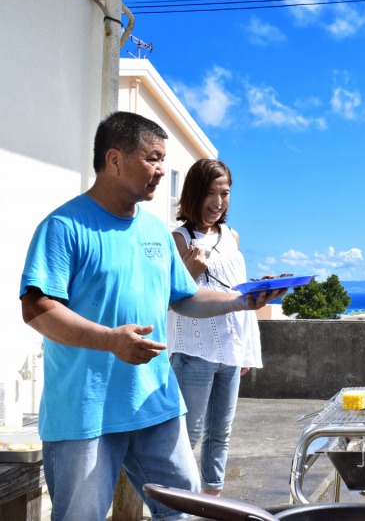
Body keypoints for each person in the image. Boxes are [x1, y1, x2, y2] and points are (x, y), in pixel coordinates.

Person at [18, 111, 282, 521]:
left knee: (186, 512)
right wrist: (110, 340)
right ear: (115, 160)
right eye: (153, 158)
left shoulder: (156, 232)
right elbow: (37, 309)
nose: (162, 171)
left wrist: (241, 300)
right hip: (86, 414)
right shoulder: (63, 227)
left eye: (163, 160)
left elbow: (186, 298)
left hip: (155, 403)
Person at [167, 158, 278, 497]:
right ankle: (180, 504)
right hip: (194, 349)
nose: (218, 202)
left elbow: (233, 287)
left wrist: (259, 289)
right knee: (190, 433)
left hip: (230, 347)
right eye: (210, 193)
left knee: (222, 432)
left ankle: (211, 500)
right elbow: (173, 294)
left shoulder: (232, 235)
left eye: (225, 193)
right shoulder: (179, 237)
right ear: (194, 194)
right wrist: (188, 267)